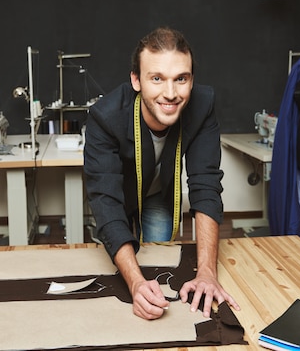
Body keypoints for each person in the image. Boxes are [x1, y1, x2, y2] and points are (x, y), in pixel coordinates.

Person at [83, 26, 239, 320]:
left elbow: (205, 185)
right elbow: (105, 201)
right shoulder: (105, 117)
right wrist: (135, 283)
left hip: (157, 195)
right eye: (157, 78)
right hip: (118, 194)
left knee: (161, 272)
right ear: (136, 80)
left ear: (191, 80)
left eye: (181, 79)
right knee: (127, 273)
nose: (170, 93)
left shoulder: (202, 105)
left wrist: (206, 273)